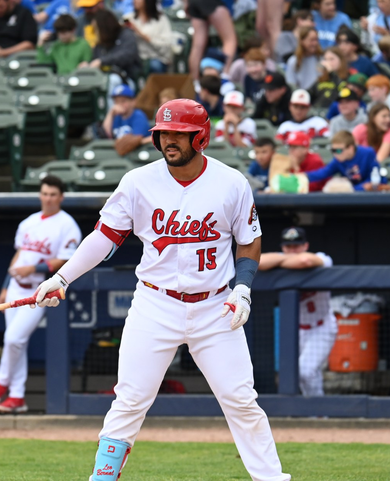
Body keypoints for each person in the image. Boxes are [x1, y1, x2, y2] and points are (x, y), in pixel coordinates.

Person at [29, 98, 291, 480]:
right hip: (155, 304)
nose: (170, 140)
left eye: (179, 133)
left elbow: (249, 241)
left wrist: (243, 289)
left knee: (241, 400)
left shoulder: (231, 182)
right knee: (130, 399)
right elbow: (105, 236)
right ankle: (102, 477)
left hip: (215, 306)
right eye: (164, 133)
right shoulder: (138, 181)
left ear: (200, 137)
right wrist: (63, 277)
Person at [0, 175, 81, 414]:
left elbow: (65, 260)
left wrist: (33, 269)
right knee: (17, 343)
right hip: (15, 288)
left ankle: (0, 382)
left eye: (53, 194)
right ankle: (16, 397)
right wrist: (5, 285)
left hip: (40, 291)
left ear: (61, 197)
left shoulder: (67, 225)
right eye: (45, 193)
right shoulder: (28, 222)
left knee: (14, 339)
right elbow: (18, 258)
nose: (48, 198)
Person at [259, 227, 336, 396]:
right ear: (282, 247)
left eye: (297, 246)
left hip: (321, 327)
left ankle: (318, 414)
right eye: (288, 247)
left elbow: (305, 262)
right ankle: (316, 414)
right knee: (302, 373)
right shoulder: (282, 261)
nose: (293, 250)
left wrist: (282, 260)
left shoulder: (322, 258)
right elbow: (258, 261)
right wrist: (286, 259)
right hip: (296, 331)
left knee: (305, 371)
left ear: (306, 245)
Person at [306, 130, 388, 191]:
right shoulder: (338, 160)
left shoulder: (368, 153)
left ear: (351, 148)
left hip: (371, 194)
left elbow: (374, 178)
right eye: (333, 151)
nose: (335, 154)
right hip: (352, 195)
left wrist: (354, 188)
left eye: (338, 151)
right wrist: (303, 176)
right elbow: (323, 173)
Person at [88, 11, 140, 92]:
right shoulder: (100, 44)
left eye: (96, 29)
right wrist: (87, 65)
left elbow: (127, 55)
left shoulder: (126, 34)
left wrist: (102, 61)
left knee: (112, 80)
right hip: (103, 78)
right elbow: (95, 61)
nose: (95, 33)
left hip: (127, 79)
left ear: (104, 27)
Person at [186, 0, 237, 80]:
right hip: (213, 3)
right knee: (229, 40)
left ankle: (194, 81)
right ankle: (224, 75)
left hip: (193, 2)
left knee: (197, 46)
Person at [126, 0, 172, 74]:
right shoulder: (129, 18)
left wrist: (143, 35)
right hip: (135, 59)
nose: (134, 1)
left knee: (155, 66)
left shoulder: (161, 20)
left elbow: (166, 47)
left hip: (156, 58)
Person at [100, 84, 149, 153]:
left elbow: (136, 140)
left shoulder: (138, 115)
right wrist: (111, 113)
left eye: (123, 101)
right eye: (116, 102)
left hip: (137, 153)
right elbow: (106, 134)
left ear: (133, 102)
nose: (119, 104)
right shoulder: (116, 117)